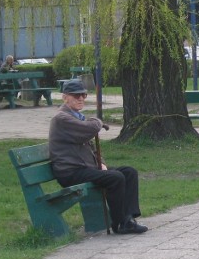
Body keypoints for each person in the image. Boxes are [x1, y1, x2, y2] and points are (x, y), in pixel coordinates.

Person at [49, 79, 147, 234]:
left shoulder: (77, 117)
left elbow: (92, 148)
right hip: (70, 172)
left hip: (84, 168)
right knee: (115, 177)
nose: (80, 98)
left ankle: (127, 218)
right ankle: (120, 222)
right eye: (76, 95)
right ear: (65, 97)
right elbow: (91, 128)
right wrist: (97, 121)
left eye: (83, 95)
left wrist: (101, 163)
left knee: (128, 172)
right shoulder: (62, 118)